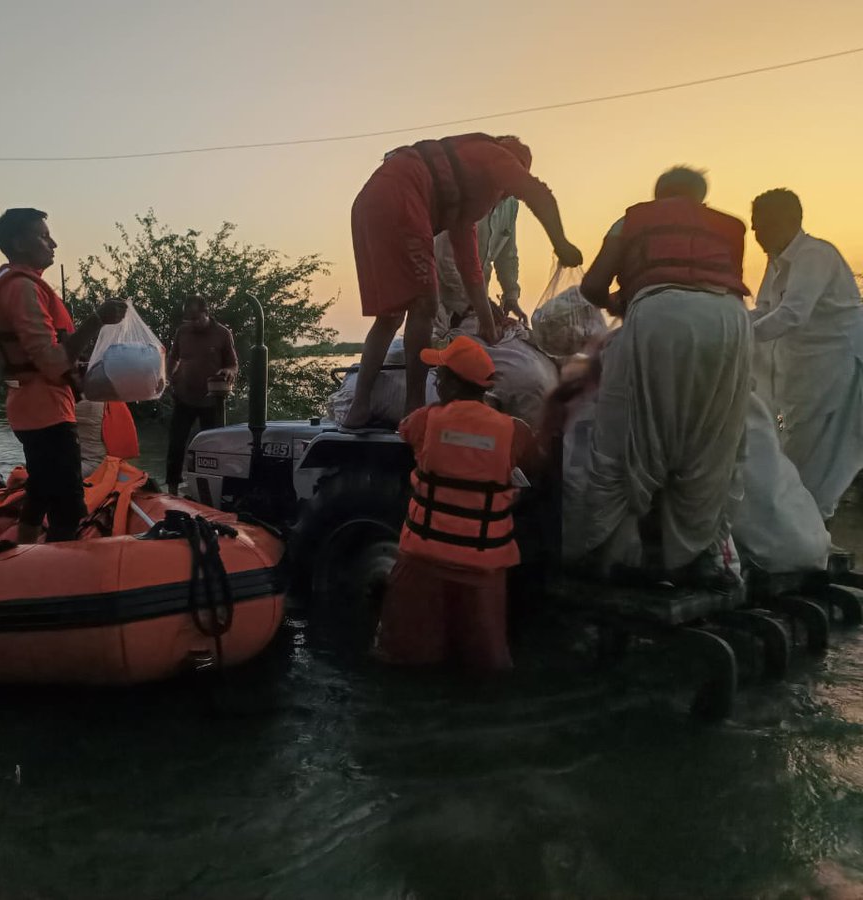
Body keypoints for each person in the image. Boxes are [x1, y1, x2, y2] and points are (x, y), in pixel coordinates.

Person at [579, 167, 752, 585]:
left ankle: (608, 555)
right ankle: (699, 560)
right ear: (701, 198)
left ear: (658, 196)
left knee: (631, 437)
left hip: (659, 314)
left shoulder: (632, 220)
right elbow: (722, 281)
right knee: (711, 444)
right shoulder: (729, 226)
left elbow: (592, 285)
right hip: (730, 323)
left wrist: (619, 301)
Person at [342, 132, 582, 430]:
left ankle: (359, 406)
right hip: (401, 198)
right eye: (508, 191)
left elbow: (470, 269)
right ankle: (413, 408)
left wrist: (486, 319)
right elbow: (538, 194)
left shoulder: (464, 202)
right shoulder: (499, 157)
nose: (506, 197)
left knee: (390, 317)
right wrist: (561, 243)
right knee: (424, 305)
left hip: (369, 203)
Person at [375, 335, 538, 671]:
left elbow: (405, 431)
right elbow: (534, 459)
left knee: (403, 661)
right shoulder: (513, 431)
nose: (436, 380)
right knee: (483, 667)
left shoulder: (425, 421)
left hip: (423, 560)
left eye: (439, 375)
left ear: (450, 382)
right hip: (483, 567)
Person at [0, 207, 127, 543]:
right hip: (44, 410)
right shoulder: (22, 288)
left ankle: (24, 548)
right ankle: (63, 575)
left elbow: (51, 357)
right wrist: (97, 319)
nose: (53, 244)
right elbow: (50, 362)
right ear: (19, 243)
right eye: (44, 236)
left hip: (34, 406)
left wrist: (80, 366)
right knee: (66, 503)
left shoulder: (15, 283)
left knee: (41, 487)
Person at [750, 188, 863, 519]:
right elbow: (764, 312)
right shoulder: (775, 266)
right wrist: (728, 323)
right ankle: (809, 544)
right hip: (803, 377)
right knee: (798, 459)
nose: (757, 234)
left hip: (838, 370)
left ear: (790, 221)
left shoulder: (814, 255)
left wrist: (737, 334)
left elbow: (792, 314)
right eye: (755, 226)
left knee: (822, 466)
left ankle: (815, 547)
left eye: (763, 225)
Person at [165, 295, 239, 494]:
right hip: (183, 396)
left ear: (207, 313)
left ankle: (214, 487)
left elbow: (232, 364)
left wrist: (229, 372)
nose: (193, 323)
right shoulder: (182, 332)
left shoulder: (223, 333)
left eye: (197, 318)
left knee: (213, 446)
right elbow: (173, 358)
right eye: (189, 318)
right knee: (176, 443)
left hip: (211, 400)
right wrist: (167, 377)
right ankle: (172, 488)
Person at [433, 196, 523, 339]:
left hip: (477, 307)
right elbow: (444, 259)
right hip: (441, 301)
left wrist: (511, 296)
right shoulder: (466, 199)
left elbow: (507, 257)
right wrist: (479, 303)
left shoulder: (511, 205)